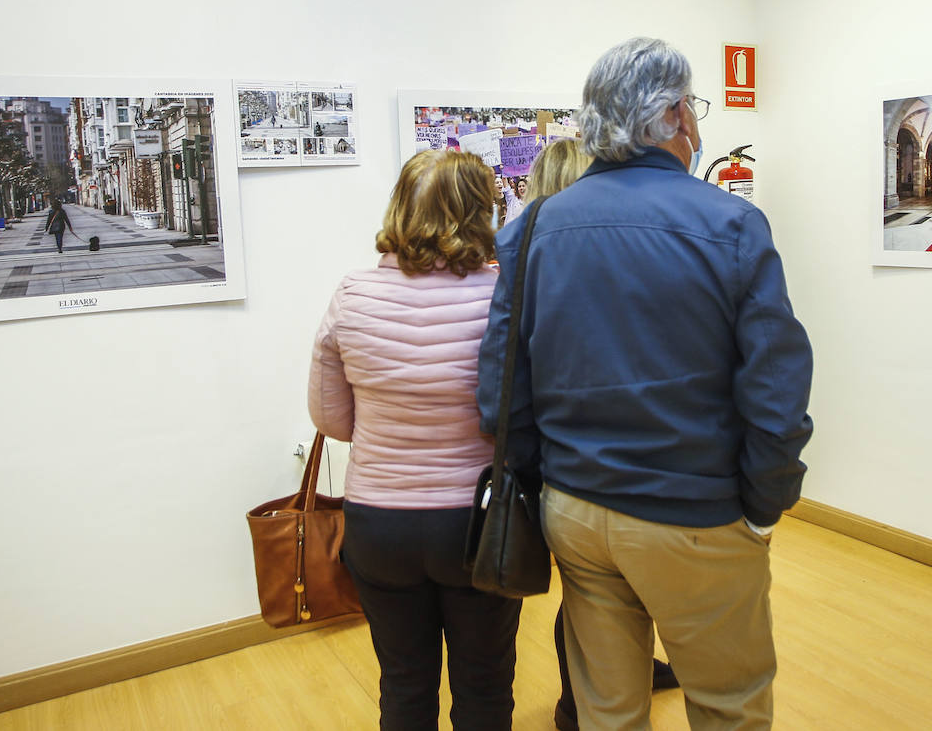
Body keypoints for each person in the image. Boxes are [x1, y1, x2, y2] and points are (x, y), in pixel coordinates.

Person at [477, 37, 814, 729]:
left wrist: (551, 482)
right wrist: (763, 505)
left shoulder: (532, 228)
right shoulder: (732, 224)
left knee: (606, 710)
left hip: (577, 512)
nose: (696, 122)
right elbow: (776, 389)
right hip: (695, 513)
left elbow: (503, 389)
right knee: (729, 703)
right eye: (691, 106)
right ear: (669, 120)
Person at [308, 149, 522, 731]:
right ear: (482, 211)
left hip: (380, 523)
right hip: (477, 523)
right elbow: (518, 415)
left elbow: (333, 422)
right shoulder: (502, 298)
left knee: (403, 681)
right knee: (484, 684)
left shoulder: (351, 294)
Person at [524, 135, 679, 731]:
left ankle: (604, 686)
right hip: (592, 466)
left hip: (564, 462)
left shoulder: (533, 260)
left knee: (592, 592)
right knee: (598, 594)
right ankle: (582, 696)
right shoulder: (583, 265)